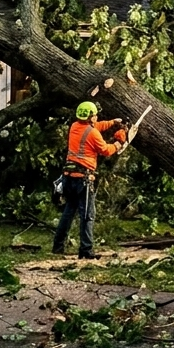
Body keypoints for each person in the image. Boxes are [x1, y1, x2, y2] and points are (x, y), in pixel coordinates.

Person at [53, 101, 125, 259]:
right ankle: (86, 250)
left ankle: (58, 246)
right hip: (83, 180)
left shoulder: (74, 127)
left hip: (69, 177)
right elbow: (105, 150)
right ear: (90, 117)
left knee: (68, 212)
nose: (96, 117)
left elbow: (96, 127)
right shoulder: (92, 134)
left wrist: (113, 123)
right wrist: (119, 143)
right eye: (95, 115)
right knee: (87, 215)